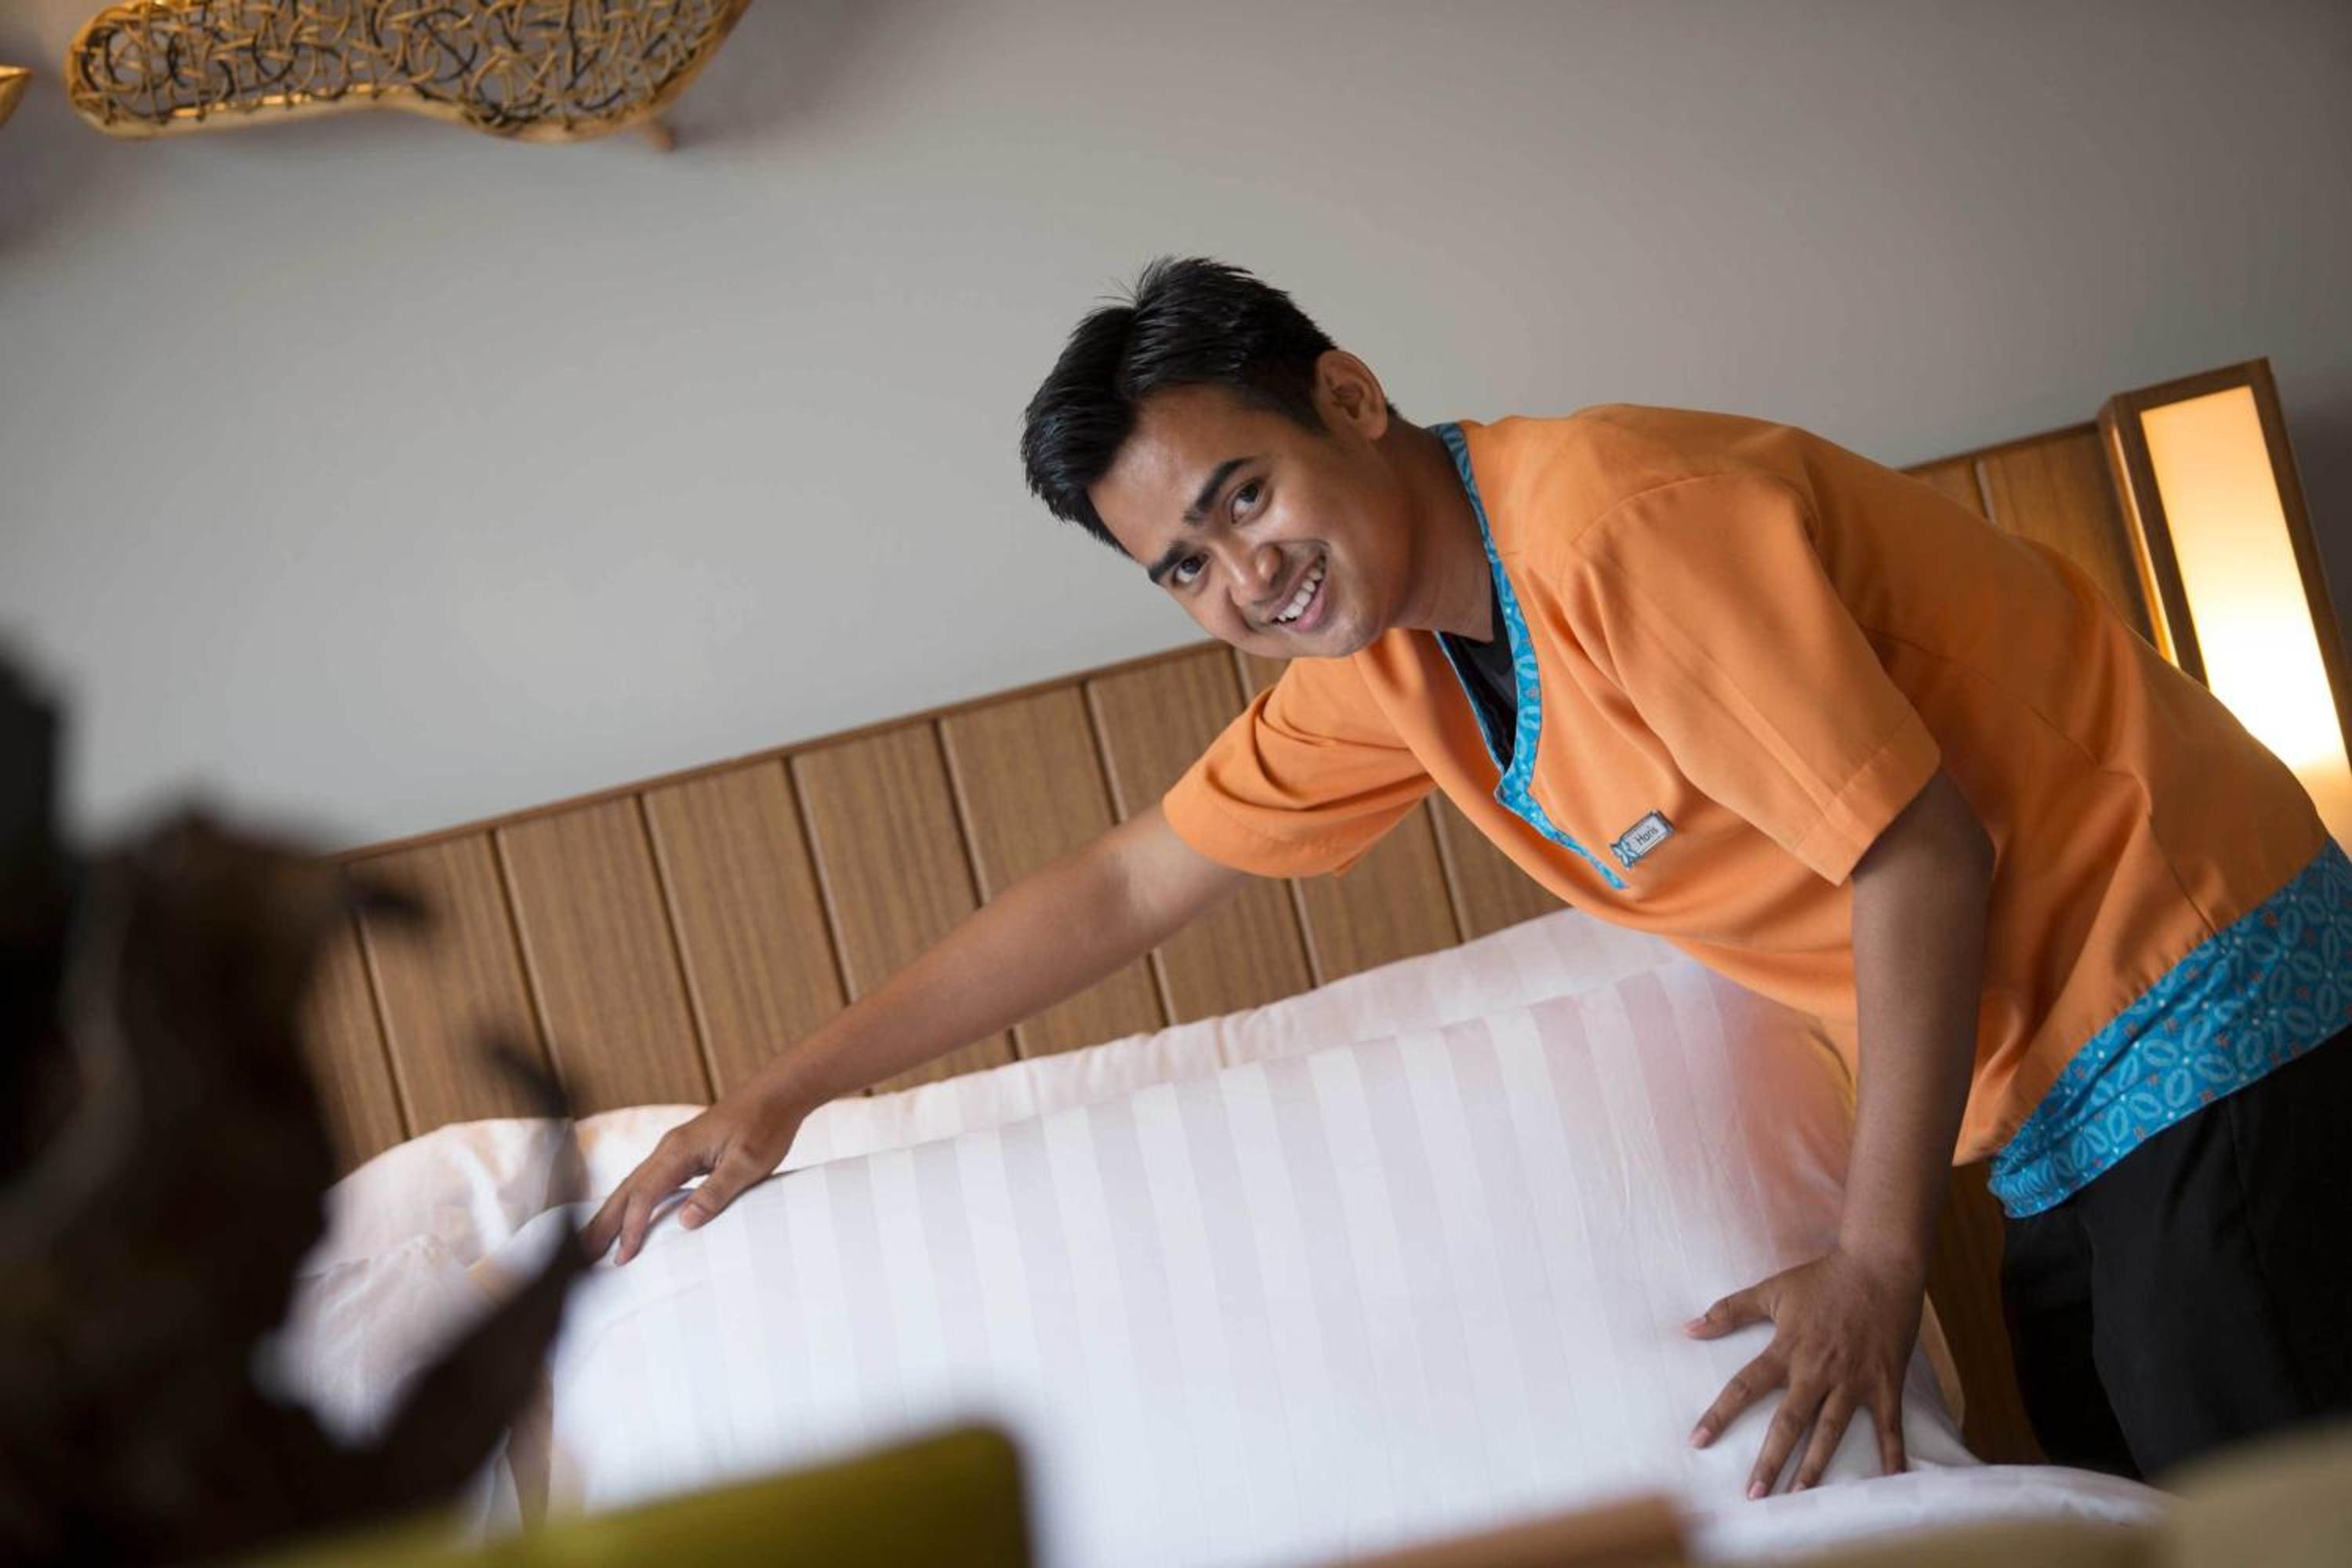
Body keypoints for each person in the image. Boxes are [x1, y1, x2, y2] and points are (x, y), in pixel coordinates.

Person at [585, 258, 2352, 1493]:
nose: (1241, 576)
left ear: (1349, 398)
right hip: (2051, 1104)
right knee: (2145, 1495)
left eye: (1244, 496)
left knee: (2258, 1507)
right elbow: (1125, 887)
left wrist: (1877, 1255)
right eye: (1183, 566)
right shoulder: (1384, 665)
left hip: (2195, 982)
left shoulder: (1616, 525)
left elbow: (1917, 850)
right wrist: (786, 1091)